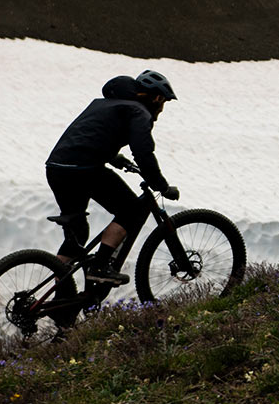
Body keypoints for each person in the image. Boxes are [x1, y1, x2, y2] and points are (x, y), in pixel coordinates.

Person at [45, 69, 180, 285]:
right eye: (163, 102)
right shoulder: (139, 112)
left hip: (57, 168)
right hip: (83, 170)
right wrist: (161, 185)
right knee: (132, 210)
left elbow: (90, 135)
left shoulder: (103, 104)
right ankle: (99, 267)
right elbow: (143, 152)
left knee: (77, 234)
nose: (162, 109)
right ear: (156, 97)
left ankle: (54, 302)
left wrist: (114, 158)